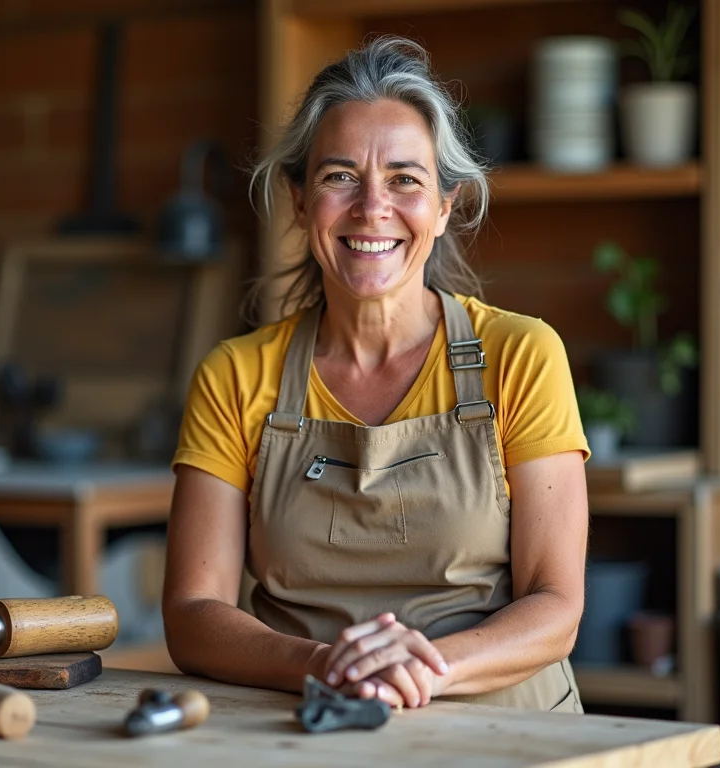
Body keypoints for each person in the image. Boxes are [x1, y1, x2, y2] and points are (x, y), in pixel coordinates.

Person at [161, 35, 590, 713]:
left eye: (404, 179)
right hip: (309, 719)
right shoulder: (236, 376)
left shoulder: (522, 356)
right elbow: (192, 613)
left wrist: (425, 669)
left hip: (503, 729)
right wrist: (328, 666)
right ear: (300, 201)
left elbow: (557, 605)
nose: (371, 207)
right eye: (339, 176)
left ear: (445, 206)